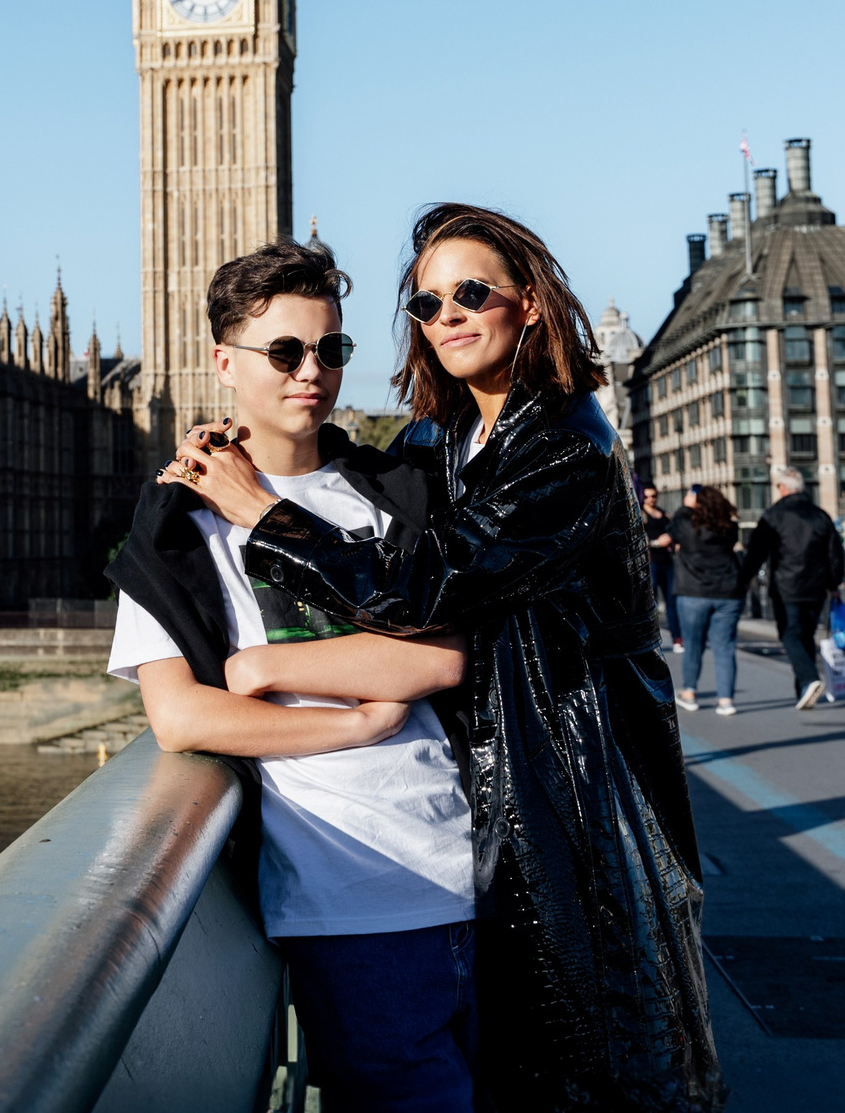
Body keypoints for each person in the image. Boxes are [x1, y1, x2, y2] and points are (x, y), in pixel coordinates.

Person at [170, 203, 722, 1113]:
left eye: (473, 292)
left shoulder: (566, 448)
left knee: (594, 1064)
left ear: (531, 302)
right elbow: (349, 471)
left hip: (576, 797)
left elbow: (426, 583)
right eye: (427, 303)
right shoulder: (441, 436)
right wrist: (238, 453)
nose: (449, 315)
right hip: (485, 804)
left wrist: (261, 519)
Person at [107, 239, 479, 1113]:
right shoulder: (174, 529)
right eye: (285, 351)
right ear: (223, 364)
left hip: (485, 872)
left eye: (331, 349)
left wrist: (272, 664)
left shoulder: (399, 491)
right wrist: (355, 722)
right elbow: (182, 717)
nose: (312, 371)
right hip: (355, 900)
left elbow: (444, 655)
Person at [741, 465, 845, 709]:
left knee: (790, 634)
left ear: (783, 488)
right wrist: (834, 584)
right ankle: (804, 690)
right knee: (806, 635)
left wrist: (745, 579)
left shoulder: (774, 515)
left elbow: (757, 551)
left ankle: (809, 679)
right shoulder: (820, 515)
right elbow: (834, 554)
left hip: (786, 584)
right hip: (816, 585)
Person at [668, 484, 744, 714]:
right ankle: (726, 700)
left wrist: (686, 505)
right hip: (728, 592)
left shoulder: (686, 524)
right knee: (725, 647)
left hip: (693, 592)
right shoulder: (729, 527)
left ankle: (690, 693)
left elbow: (676, 523)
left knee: (693, 644)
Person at [640, 481, 680, 651]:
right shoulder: (640, 515)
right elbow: (639, 539)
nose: (650, 499)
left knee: (672, 601)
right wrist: (657, 543)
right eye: (647, 496)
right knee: (651, 603)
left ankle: (677, 639)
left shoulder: (664, 514)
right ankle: (652, 641)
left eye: (653, 496)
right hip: (652, 563)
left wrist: (673, 541)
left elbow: (676, 532)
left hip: (668, 563)